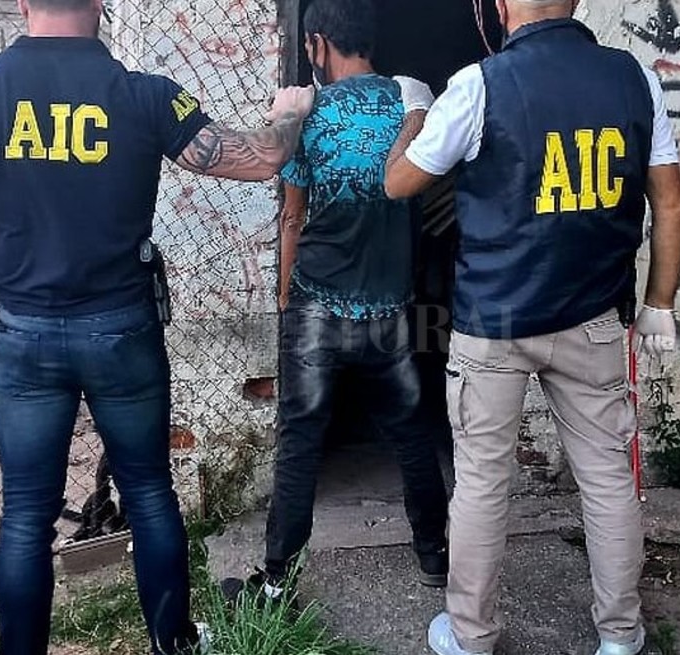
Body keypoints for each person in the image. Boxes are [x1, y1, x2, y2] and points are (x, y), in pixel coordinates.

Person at [0, 0, 313, 651]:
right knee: (149, 493)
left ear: (23, 2)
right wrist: (290, 111)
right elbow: (263, 158)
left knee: (25, 516)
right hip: (121, 331)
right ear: (99, 2)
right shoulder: (145, 96)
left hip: (26, 336)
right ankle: (173, 642)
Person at [383, 1, 680, 654]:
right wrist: (659, 301)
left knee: (482, 483)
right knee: (606, 477)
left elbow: (400, 182)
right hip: (593, 316)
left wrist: (415, 110)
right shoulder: (634, 78)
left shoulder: (479, 84)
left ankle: (470, 636)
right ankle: (620, 635)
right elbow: (669, 200)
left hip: (494, 322)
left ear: (498, 7)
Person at [243, 0, 451, 598]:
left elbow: (292, 217)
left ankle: (277, 583)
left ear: (316, 44)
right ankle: (434, 556)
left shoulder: (308, 114)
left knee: (300, 441)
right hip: (391, 307)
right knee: (412, 431)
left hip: (317, 302)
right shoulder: (411, 106)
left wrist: (285, 299)